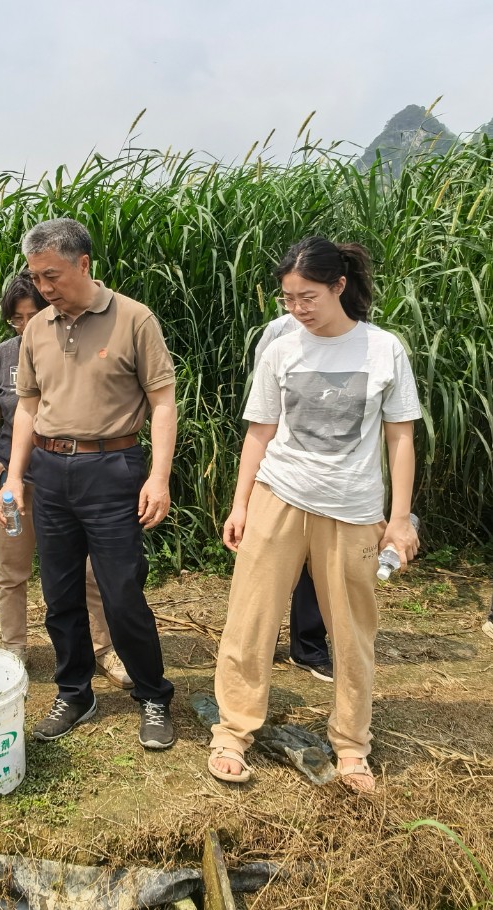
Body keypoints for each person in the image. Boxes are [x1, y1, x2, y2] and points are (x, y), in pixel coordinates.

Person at [208, 237, 421, 794]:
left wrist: (398, 519)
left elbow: (400, 438)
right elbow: (260, 430)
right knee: (250, 619)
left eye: (307, 296)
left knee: (352, 633)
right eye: (287, 298)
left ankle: (352, 745)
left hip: (352, 509)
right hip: (278, 495)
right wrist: (240, 503)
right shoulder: (281, 347)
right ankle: (232, 731)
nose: (297, 308)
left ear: (339, 286)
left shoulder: (382, 349)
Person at [0, 218, 178, 748]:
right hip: (50, 474)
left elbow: (163, 402)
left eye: (52, 275)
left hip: (112, 470)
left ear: (84, 264)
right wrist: (14, 477)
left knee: (122, 592)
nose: (44, 288)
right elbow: (28, 407)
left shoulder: (133, 319)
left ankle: (151, 694)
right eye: (36, 277)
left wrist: (158, 477)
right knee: (59, 593)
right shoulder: (37, 328)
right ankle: (74, 691)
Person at [0, 270, 131, 688]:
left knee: (87, 571)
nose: (25, 325)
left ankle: (103, 648)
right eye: (17, 318)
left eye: (33, 314)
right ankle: (15, 649)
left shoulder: (71, 351)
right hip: (13, 483)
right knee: (10, 569)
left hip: (62, 479)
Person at [254, 313, 333, 683]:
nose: (302, 305)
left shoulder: (360, 334)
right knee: (267, 564)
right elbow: (263, 405)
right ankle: (258, 646)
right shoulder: (279, 331)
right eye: (291, 296)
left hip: (330, 470)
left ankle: (309, 647)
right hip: (281, 467)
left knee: (317, 566)